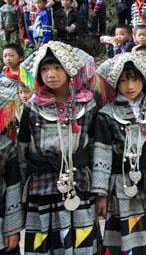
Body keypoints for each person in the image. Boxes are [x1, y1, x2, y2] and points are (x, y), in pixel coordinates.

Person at [18, 41, 99, 254]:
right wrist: (22, 189)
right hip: (42, 184)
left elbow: (95, 146)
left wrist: (100, 188)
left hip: (79, 181)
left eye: (57, 67)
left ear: (69, 69)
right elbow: (22, 150)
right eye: (44, 69)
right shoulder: (32, 107)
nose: (50, 74)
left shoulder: (87, 105)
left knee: (81, 239)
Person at [93, 53, 146, 254]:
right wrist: (100, 193)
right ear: (116, 83)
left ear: (144, 80)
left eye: (135, 79)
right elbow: (102, 154)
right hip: (120, 183)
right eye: (124, 81)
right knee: (123, 233)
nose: (130, 86)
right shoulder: (107, 114)